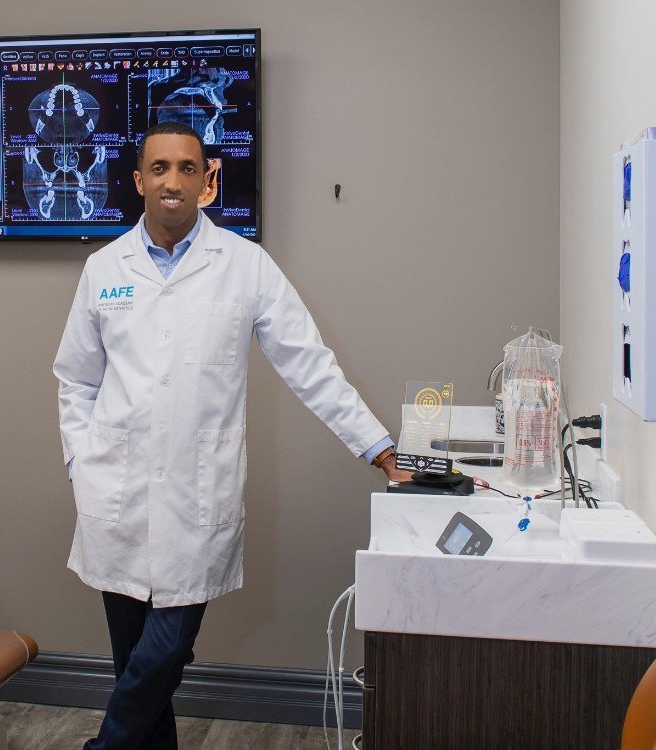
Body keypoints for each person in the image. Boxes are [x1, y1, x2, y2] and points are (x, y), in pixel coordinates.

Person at [53, 121, 412, 749]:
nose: (172, 181)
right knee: (137, 667)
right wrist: (82, 462)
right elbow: (76, 381)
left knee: (158, 657)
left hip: (196, 502)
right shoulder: (104, 268)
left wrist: (380, 449)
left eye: (186, 168)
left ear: (207, 181)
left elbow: (310, 363)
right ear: (139, 181)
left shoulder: (245, 267)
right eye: (158, 168)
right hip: (114, 498)